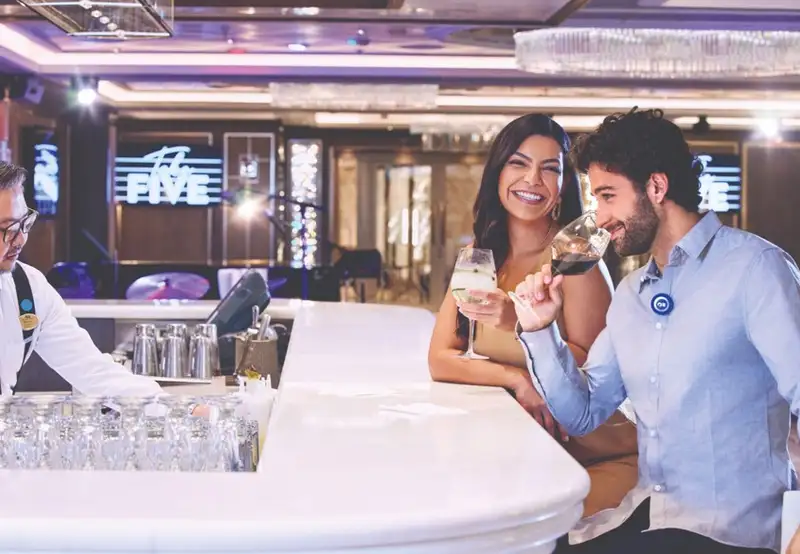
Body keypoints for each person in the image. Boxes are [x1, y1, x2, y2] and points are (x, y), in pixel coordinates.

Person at [513, 108, 795, 553]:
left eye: (608, 196)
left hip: (730, 534)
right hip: (651, 517)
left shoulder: (756, 269)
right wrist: (540, 329)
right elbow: (582, 413)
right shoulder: (632, 295)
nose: (600, 217)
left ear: (656, 187)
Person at [428, 114, 638, 522]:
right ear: (498, 173)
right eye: (519, 163)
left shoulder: (576, 259)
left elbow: (593, 369)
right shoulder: (479, 255)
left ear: (563, 186)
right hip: (526, 452)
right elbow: (440, 358)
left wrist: (518, 323)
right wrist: (517, 379)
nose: (533, 180)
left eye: (549, 169)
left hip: (591, 458)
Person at [0, 161, 203, 411]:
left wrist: (182, 411)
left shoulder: (28, 289)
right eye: (8, 229)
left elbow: (93, 370)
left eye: (24, 223)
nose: (20, 239)